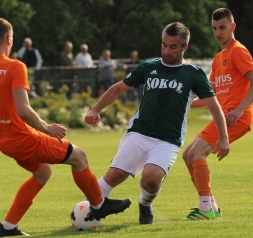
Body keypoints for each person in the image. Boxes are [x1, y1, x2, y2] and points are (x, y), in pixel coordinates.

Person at [0, 18, 131, 238]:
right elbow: (24, 110)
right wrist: (48, 128)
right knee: (79, 156)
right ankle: (98, 204)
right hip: (22, 138)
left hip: (2, 140)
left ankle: (8, 227)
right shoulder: (14, 66)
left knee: (42, 172)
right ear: (9, 39)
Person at [85, 22, 230, 224]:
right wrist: (95, 109)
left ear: (184, 47)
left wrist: (223, 138)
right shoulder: (148, 66)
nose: (166, 50)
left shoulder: (193, 74)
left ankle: (145, 205)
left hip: (169, 140)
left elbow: (215, 107)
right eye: (164, 45)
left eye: (173, 47)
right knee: (116, 174)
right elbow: (119, 89)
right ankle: (85, 213)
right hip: (140, 131)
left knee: (151, 178)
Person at [182, 8, 253, 220]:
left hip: (236, 116)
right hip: (222, 116)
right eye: (214, 28)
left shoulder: (238, 51)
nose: (218, 32)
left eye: (222, 27)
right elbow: (209, 95)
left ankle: (206, 209)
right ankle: (211, 205)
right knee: (188, 155)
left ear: (232, 27)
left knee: (196, 154)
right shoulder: (218, 57)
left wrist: (240, 109)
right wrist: (184, 104)